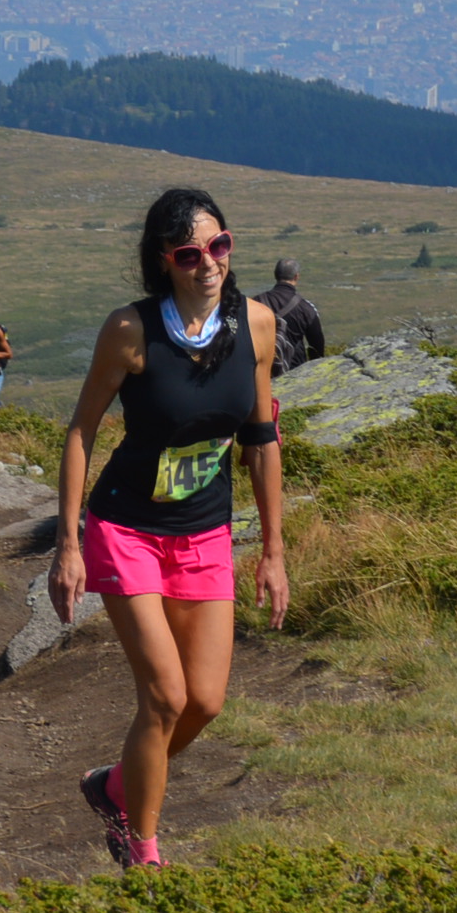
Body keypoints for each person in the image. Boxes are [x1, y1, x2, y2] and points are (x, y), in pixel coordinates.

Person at [54, 187, 289, 872]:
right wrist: (69, 543)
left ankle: (116, 787)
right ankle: (142, 849)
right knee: (165, 695)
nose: (208, 263)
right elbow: (81, 431)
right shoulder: (131, 332)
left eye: (220, 246)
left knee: (205, 702)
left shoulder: (258, 326)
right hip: (126, 527)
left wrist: (273, 551)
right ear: (165, 262)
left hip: (205, 532)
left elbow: (263, 438)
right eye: (190, 254)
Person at [258, 259, 327, 375]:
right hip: (294, 370)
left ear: (275, 275)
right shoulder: (306, 309)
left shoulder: (256, 303)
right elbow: (317, 345)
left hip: (262, 370)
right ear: (296, 277)